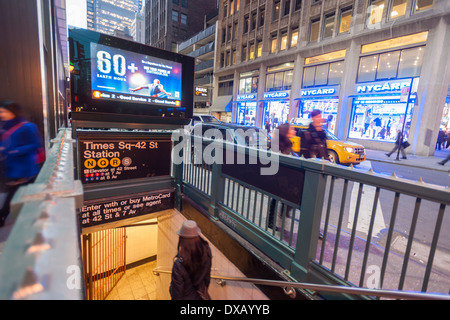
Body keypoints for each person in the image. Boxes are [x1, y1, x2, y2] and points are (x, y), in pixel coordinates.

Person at [0, 101, 42, 227]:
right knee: (16, 192)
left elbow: (35, 144)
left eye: (3, 111)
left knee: (15, 192)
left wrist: (15, 151)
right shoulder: (5, 126)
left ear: (12, 112)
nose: (1, 114)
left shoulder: (27, 126)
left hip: (23, 168)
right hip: (11, 167)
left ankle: (4, 215)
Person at [169, 220, 212, 300]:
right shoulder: (206, 251)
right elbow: (207, 277)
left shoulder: (179, 265)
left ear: (182, 240)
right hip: (200, 296)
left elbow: (176, 294)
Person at [268, 123, 298, 229]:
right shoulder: (279, 143)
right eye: (292, 129)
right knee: (277, 197)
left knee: (280, 197)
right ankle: (272, 219)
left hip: (285, 175)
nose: (294, 130)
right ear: (286, 131)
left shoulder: (288, 143)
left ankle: (281, 214)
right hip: (279, 175)